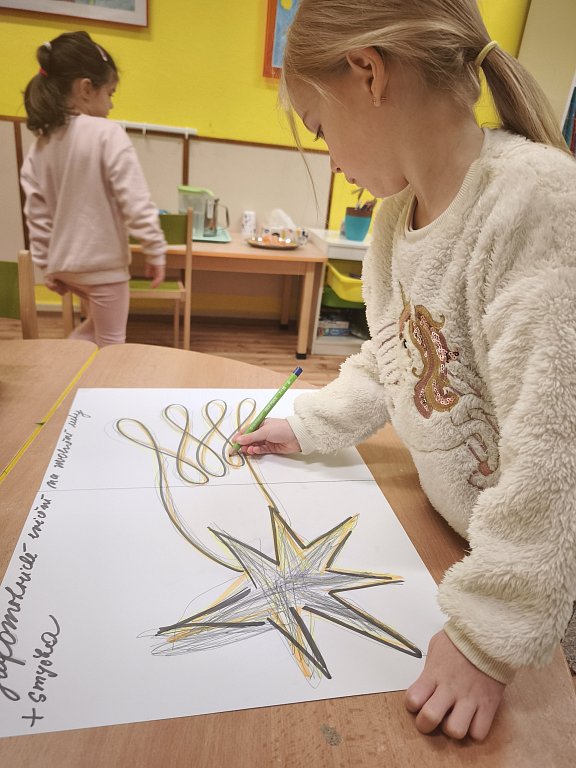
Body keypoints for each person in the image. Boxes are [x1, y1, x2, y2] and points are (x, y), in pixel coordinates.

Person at [233, 0, 576, 742]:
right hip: (463, 546)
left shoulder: (537, 203)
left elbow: (559, 453)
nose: (330, 158)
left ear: (368, 73)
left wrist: (485, 638)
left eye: (319, 129)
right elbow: (390, 359)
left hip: (548, 601)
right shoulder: (394, 220)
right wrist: (309, 425)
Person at [20, 31, 166, 347]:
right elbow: (135, 200)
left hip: (66, 268)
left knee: (92, 333)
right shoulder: (107, 134)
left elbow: (36, 214)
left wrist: (47, 265)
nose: (111, 105)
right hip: (103, 269)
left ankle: (64, 366)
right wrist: (155, 248)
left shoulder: (41, 145)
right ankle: (70, 372)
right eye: (110, 93)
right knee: (111, 347)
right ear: (86, 89)